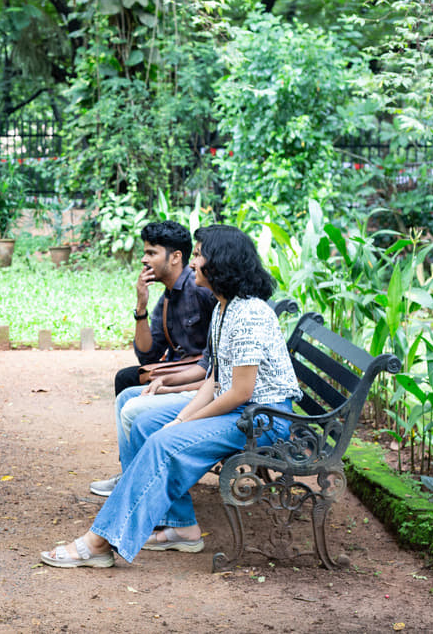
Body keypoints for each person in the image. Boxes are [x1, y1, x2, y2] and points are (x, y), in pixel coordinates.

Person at [41, 224, 301, 568]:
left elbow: (240, 392)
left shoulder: (249, 314)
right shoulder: (224, 309)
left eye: (199, 255)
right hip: (243, 413)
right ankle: (181, 527)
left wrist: (183, 424)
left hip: (265, 420)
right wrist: (180, 418)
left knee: (165, 442)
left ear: (220, 263)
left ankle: (98, 542)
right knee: (147, 424)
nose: (192, 263)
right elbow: (214, 378)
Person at [90, 220, 216, 497]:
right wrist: (141, 305)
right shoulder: (167, 298)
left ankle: (138, 474)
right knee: (129, 378)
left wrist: (173, 383)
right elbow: (147, 353)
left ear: (175, 257)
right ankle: (133, 472)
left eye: (151, 253)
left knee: (129, 382)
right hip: (185, 369)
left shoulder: (201, 289)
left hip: (204, 374)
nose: (144, 260)